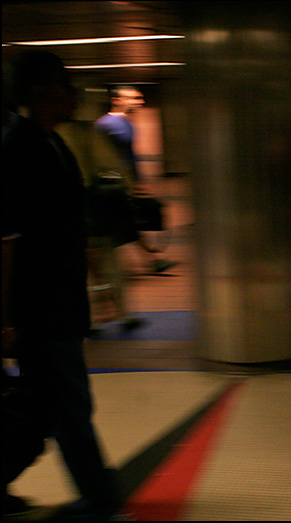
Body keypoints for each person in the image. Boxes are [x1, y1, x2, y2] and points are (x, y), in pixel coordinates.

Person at [2, 49, 123, 520]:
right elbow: (7, 244)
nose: (74, 94)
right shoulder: (18, 152)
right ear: (40, 92)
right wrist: (6, 319)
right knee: (68, 404)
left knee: (39, 407)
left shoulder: (54, 144)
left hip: (60, 303)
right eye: (64, 84)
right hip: (39, 308)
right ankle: (100, 497)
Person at [58, 119, 147, 333]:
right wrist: (129, 186)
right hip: (95, 204)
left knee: (80, 264)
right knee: (109, 259)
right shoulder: (89, 132)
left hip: (68, 206)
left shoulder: (54, 135)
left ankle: (92, 318)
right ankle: (123, 314)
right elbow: (111, 163)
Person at [95, 85, 176, 275]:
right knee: (124, 222)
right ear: (116, 100)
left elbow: (129, 156)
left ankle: (152, 259)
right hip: (114, 183)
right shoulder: (104, 125)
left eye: (139, 98)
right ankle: (153, 259)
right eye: (133, 98)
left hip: (126, 182)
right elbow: (102, 156)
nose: (139, 102)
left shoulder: (128, 123)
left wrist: (136, 181)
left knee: (126, 221)